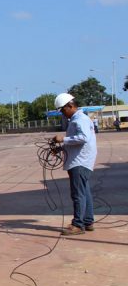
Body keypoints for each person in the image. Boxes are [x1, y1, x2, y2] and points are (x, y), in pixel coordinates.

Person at [51, 93, 97, 236]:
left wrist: (63, 139)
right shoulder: (76, 119)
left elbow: (83, 138)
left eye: (63, 110)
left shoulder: (80, 119)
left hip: (80, 162)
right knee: (84, 193)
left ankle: (78, 224)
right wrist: (60, 148)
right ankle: (88, 221)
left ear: (70, 106)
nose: (63, 114)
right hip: (81, 161)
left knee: (78, 194)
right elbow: (76, 142)